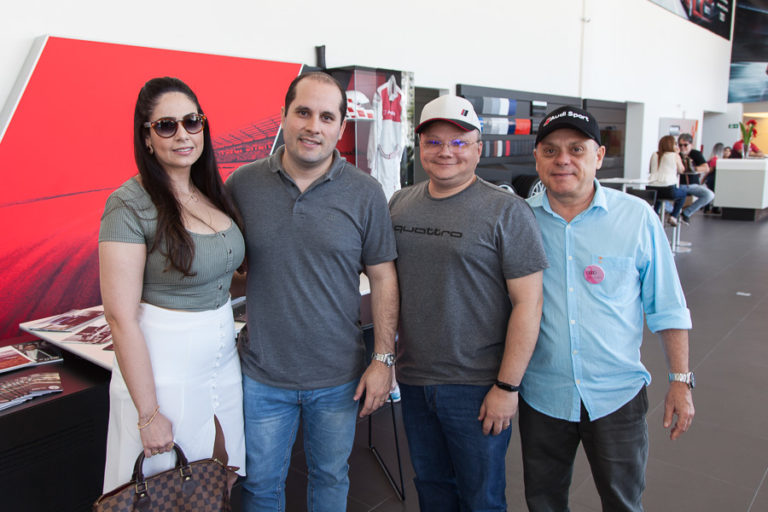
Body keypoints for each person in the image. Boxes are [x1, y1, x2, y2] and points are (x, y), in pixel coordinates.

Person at [226, 71, 399, 512]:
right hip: (263, 375)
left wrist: (383, 359)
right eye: (303, 112)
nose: (313, 126)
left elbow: (383, 278)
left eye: (326, 116)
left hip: (337, 377)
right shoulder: (242, 186)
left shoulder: (365, 193)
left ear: (341, 128)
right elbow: (224, 267)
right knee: (261, 486)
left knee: (330, 478)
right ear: (283, 117)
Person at [520, 105, 695, 512]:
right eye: (550, 150)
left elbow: (668, 306)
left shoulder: (636, 219)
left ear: (598, 156)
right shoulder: (519, 221)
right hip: (542, 395)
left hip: (616, 396)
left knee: (622, 502)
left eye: (576, 149)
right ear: (537, 158)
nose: (563, 159)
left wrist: (681, 381)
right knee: (543, 502)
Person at [389, 95, 548, 511]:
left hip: (477, 386)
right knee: (432, 487)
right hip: (415, 377)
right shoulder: (399, 204)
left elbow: (529, 304)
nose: (446, 152)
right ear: (419, 147)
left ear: (479, 148)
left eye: (459, 143)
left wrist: (507, 387)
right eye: (435, 142)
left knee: (482, 497)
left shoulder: (506, 211)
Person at [99, 77, 246, 492]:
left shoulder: (210, 191)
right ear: (146, 138)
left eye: (192, 122)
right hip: (162, 371)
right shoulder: (127, 204)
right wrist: (148, 413)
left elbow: (224, 275)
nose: (183, 134)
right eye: (166, 126)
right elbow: (120, 316)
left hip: (221, 362)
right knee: (164, 491)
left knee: (220, 475)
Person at [647, 135, 688, 226]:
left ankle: (655, 214)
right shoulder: (674, 155)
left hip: (651, 188)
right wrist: (678, 154)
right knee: (683, 194)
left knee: (658, 198)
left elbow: (651, 170)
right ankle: (673, 216)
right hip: (668, 188)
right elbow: (682, 170)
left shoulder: (655, 154)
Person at [677, 133, 715, 223]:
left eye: (685, 145)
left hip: (692, 185)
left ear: (691, 145)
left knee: (709, 195)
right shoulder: (676, 155)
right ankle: (674, 212)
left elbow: (706, 168)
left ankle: (686, 213)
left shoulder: (695, 154)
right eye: (680, 145)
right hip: (678, 185)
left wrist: (692, 169)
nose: (682, 147)